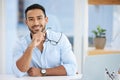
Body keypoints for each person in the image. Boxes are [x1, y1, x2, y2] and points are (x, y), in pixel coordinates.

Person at [13, 4, 77, 77]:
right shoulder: (20, 43)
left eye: (39, 18)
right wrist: (31, 46)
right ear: (26, 22)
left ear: (46, 20)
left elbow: (72, 67)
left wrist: (42, 72)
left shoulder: (60, 39)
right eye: (31, 19)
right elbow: (18, 72)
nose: (36, 23)